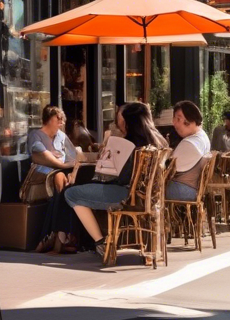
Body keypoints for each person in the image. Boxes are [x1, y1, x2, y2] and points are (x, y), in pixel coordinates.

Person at [65, 102, 167, 259]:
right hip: (148, 198)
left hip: (124, 195)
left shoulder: (130, 144)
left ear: (129, 122)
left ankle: (100, 242)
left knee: (72, 194)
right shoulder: (158, 142)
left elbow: (123, 178)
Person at [29, 106, 80, 253]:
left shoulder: (62, 137)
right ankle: (60, 237)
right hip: (41, 174)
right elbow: (45, 157)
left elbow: (73, 158)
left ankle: (54, 236)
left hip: (61, 171)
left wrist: (72, 170)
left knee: (69, 183)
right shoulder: (36, 135)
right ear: (50, 119)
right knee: (60, 179)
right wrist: (64, 166)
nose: (62, 123)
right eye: (59, 119)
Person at [166, 101, 211, 201]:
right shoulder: (202, 136)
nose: (174, 123)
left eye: (178, 119)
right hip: (193, 189)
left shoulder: (190, 143)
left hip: (183, 189)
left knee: (146, 190)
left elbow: (168, 170)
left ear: (191, 119)